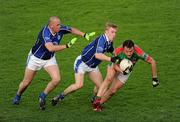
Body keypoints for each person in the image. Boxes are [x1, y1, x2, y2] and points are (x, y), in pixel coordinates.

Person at [12, 16, 95, 110]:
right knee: (26, 82)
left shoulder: (59, 28)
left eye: (60, 24)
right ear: (51, 26)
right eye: (58, 25)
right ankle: (18, 95)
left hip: (49, 58)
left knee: (56, 79)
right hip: (35, 59)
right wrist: (67, 46)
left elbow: (71, 29)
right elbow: (50, 48)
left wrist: (84, 34)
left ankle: (42, 95)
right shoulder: (44, 33)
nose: (60, 26)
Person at [51, 22, 120, 106]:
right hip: (82, 64)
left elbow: (111, 49)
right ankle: (60, 96)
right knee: (79, 85)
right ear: (106, 31)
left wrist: (118, 57)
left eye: (115, 32)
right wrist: (111, 59)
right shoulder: (102, 40)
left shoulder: (109, 41)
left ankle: (94, 98)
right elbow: (97, 55)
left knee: (101, 87)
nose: (114, 34)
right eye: (112, 32)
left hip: (92, 66)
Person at [93, 39, 159, 111]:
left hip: (127, 70)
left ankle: (97, 105)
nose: (129, 54)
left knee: (113, 91)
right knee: (109, 78)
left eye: (131, 51)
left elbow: (152, 62)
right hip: (116, 66)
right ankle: (96, 95)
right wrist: (122, 71)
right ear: (123, 49)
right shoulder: (117, 51)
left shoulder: (139, 52)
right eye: (126, 51)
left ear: (134, 48)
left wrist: (154, 78)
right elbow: (114, 66)